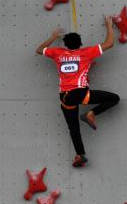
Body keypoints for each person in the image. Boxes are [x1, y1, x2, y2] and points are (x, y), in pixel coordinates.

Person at [35, 16, 120, 167]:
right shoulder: (86, 53)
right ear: (80, 44)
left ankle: (80, 155)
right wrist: (109, 25)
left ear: (66, 45)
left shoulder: (58, 53)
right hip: (80, 94)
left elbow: (39, 50)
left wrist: (53, 37)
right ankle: (91, 113)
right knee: (114, 99)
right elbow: (110, 43)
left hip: (66, 98)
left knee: (73, 128)